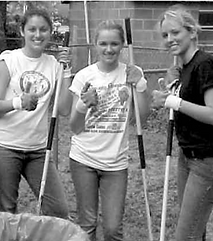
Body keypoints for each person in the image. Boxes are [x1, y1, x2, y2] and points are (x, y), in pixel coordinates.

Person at [0, 8, 72, 218]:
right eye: (32, 29)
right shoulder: (8, 61)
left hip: (39, 149)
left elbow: (63, 109)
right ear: (22, 31)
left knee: (58, 211)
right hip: (4, 146)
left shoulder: (54, 65)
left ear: (50, 32)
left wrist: (67, 69)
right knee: (7, 211)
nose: (38, 34)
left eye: (43, 30)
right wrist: (18, 102)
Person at [68, 21, 150, 241]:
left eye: (114, 43)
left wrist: (140, 85)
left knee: (113, 229)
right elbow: (74, 128)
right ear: (95, 44)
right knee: (87, 225)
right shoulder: (84, 76)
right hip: (83, 159)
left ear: (122, 45)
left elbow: (142, 117)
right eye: (103, 43)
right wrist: (82, 105)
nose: (109, 49)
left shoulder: (132, 73)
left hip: (116, 162)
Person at [152, 5, 213, 241]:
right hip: (186, 156)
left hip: (205, 161)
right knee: (194, 230)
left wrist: (173, 102)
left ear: (192, 32)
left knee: (185, 235)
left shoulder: (204, 64)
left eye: (175, 32)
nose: (170, 39)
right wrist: (170, 90)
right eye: (165, 35)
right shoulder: (184, 67)